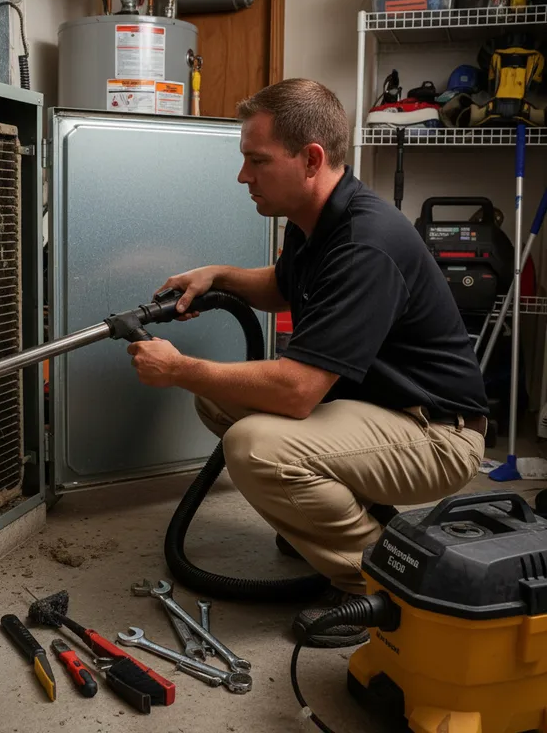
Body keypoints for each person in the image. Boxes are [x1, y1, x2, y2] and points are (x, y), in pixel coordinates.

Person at [127, 78, 489, 648]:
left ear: (311, 159)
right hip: (379, 407)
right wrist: (217, 275)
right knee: (219, 399)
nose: (243, 176)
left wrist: (178, 368)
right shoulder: (315, 220)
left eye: (257, 161)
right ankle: (324, 517)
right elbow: (281, 286)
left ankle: (374, 581)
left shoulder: (364, 243)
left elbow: (296, 391)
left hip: (437, 432)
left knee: (255, 447)